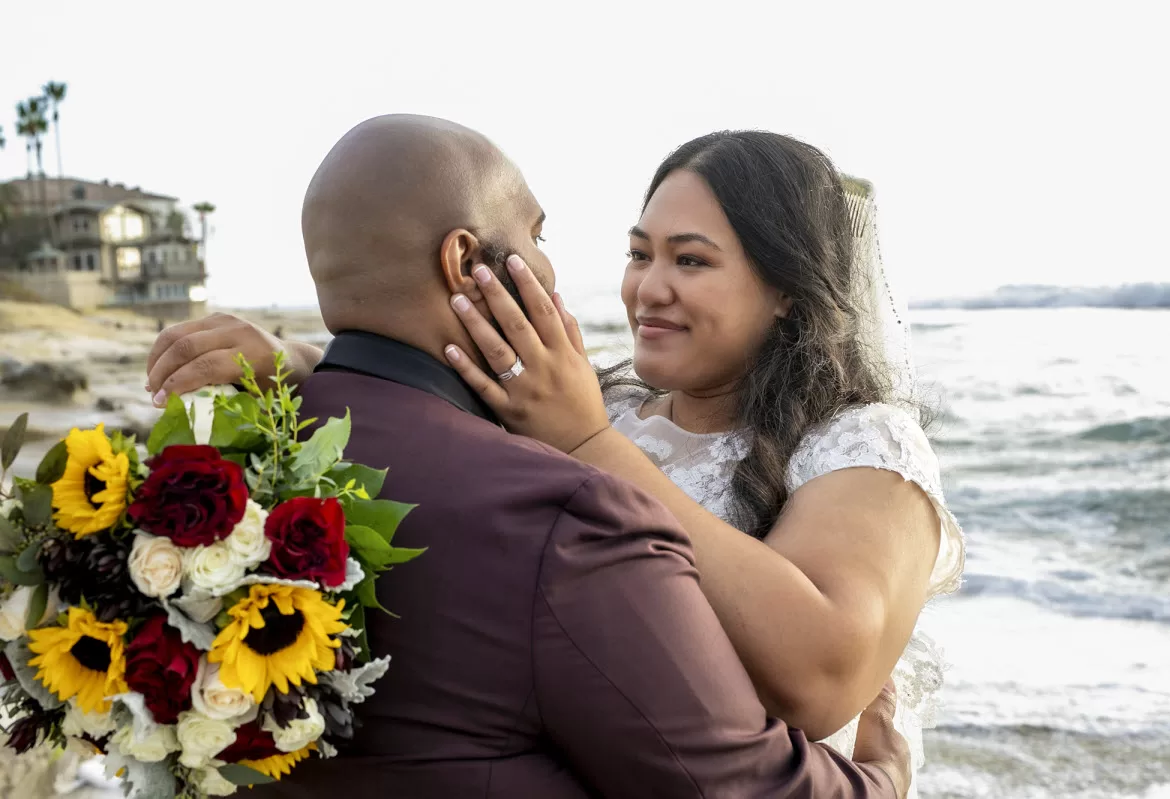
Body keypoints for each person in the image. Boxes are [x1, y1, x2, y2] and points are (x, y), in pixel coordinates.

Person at [147, 126, 960, 796]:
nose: (648, 289)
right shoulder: (587, 403)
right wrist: (301, 367)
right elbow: (430, 395)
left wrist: (591, 448)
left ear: (787, 287)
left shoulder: (862, 443)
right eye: (640, 254)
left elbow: (821, 680)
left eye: (692, 260)